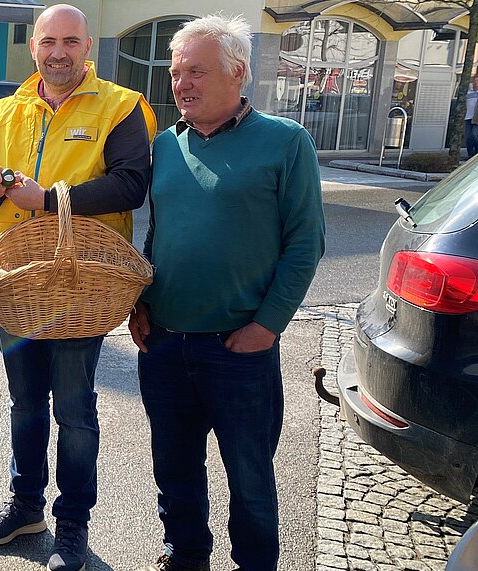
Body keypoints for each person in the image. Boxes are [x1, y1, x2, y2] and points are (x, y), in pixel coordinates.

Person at [127, 15, 324, 571]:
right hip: (163, 344)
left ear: (237, 74)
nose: (180, 84)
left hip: (240, 349)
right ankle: (185, 555)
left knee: (250, 477)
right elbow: (158, 236)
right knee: (174, 467)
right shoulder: (165, 146)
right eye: (174, 72)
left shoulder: (286, 142)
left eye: (195, 71)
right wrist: (141, 299)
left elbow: (306, 244)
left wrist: (267, 326)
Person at [0, 5, 154, 571]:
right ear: (33, 47)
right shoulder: (8, 108)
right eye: (49, 41)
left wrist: (47, 199)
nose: (59, 52)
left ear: (88, 47)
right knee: (24, 403)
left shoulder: (121, 107)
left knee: (74, 410)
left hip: (80, 283)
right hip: (16, 284)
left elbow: (129, 186)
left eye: (71, 41)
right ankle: (26, 505)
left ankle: (72, 523)